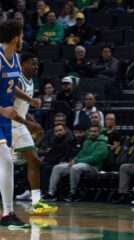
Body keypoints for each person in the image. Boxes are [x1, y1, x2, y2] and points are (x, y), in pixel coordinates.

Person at [12, 52, 57, 215]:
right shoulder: (17, 80)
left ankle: (36, 202)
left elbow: (21, 108)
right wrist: (29, 123)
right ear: (23, 65)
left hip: (19, 124)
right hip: (7, 124)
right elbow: (9, 110)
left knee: (35, 161)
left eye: (37, 64)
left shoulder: (31, 81)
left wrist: (33, 122)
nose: (36, 66)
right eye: (33, 63)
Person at [0, 20, 31, 228]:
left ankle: (7, 213)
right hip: (1, 114)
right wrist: (2, 109)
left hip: (4, 119)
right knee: (7, 162)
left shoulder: (17, 59)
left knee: (5, 163)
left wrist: (29, 99)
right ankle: (8, 213)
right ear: (14, 37)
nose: (23, 39)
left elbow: (10, 88)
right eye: (21, 35)